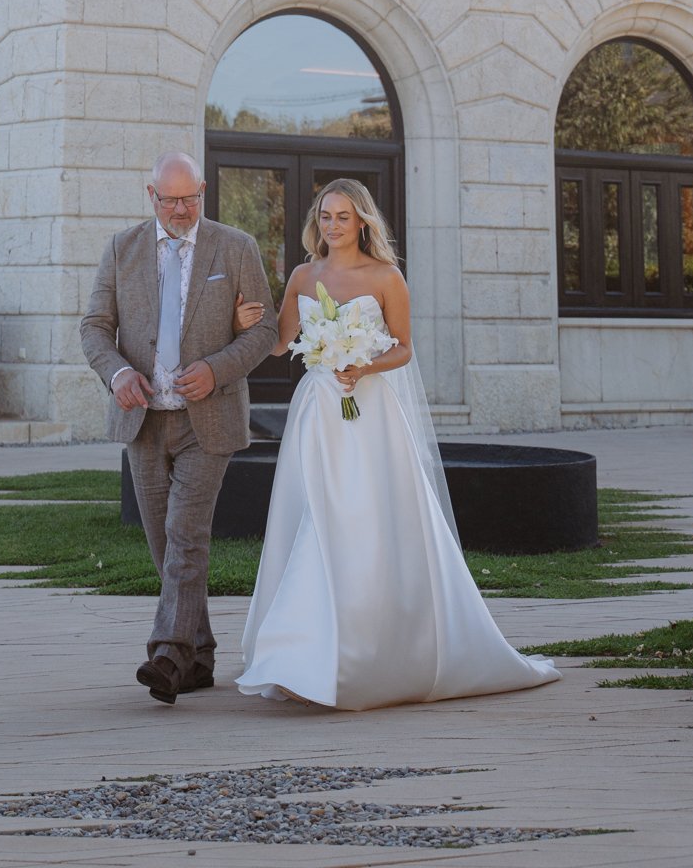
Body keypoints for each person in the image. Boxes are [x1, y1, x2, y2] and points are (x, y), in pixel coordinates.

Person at [234, 178, 560, 711]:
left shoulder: (386, 277)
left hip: (370, 415)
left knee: (365, 519)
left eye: (343, 216)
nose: (332, 226)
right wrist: (244, 323)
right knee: (314, 516)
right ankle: (299, 656)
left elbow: (404, 348)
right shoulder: (302, 276)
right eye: (325, 216)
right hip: (317, 412)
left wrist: (362, 365)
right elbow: (279, 342)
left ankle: (368, 652)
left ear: (362, 221)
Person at [80, 152, 277, 703]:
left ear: (203, 191)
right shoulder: (121, 249)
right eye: (171, 200)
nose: (182, 210)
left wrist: (217, 369)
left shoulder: (235, 247)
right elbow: (95, 327)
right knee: (164, 544)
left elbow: (264, 331)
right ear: (152, 196)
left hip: (207, 420)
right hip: (142, 419)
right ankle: (200, 656)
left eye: (191, 199)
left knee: (185, 536)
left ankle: (167, 654)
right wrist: (117, 373)